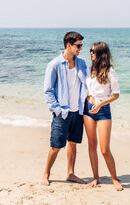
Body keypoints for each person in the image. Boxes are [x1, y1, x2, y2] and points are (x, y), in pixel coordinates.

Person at [41, 31, 87, 186]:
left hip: (78, 112)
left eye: (81, 45)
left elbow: (88, 82)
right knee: (56, 146)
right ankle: (46, 174)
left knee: (73, 144)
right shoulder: (54, 64)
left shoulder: (81, 63)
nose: (81, 48)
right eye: (78, 45)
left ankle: (70, 173)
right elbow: (48, 91)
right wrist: (57, 110)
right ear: (69, 45)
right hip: (62, 113)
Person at [83, 42, 124, 191]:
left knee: (105, 149)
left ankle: (114, 178)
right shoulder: (88, 70)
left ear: (100, 53)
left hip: (103, 111)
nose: (90, 53)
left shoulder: (110, 71)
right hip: (88, 109)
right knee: (92, 145)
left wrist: (100, 104)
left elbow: (116, 95)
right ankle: (95, 177)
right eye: (90, 51)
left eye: (93, 51)